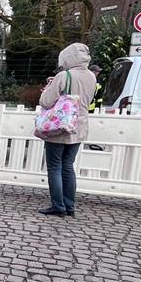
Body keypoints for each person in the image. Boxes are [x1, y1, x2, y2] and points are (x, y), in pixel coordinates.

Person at [38, 43, 96, 217]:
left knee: (54, 166)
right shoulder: (92, 76)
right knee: (68, 166)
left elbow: (46, 101)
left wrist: (49, 87)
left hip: (61, 126)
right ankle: (69, 205)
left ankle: (58, 205)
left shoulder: (64, 75)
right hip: (79, 127)